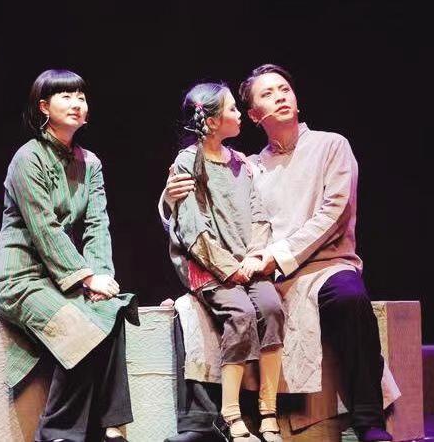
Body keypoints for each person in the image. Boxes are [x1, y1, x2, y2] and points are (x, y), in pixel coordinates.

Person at [162, 65, 393, 442]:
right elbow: (200, 205)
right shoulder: (249, 165)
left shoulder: (331, 145)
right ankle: (207, 423)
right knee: (198, 309)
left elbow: (333, 213)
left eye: (285, 89)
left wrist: (273, 256)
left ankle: (368, 419)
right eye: (267, 94)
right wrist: (170, 198)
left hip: (323, 266)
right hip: (262, 272)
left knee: (349, 297)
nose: (281, 97)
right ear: (254, 115)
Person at [0, 69, 138, 442]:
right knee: (80, 331)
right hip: (21, 278)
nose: (76, 104)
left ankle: (111, 428)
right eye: (66, 96)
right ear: (44, 107)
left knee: (112, 310)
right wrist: (86, 277)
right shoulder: (28, 158)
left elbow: (97, 225)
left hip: (62, 278)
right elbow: (45, 229)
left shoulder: (90, 163)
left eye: (81, 97)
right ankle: (58, 434)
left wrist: (101, 277)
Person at [168, 83, 285, 442]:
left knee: (271, 307)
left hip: (247, 263)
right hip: (210, 268)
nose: (239, 115)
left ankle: (268, 410)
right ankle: (230, 413)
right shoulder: (188, 162)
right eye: (232, 109)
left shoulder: (241, 163)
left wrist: (254, 257)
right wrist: (228, 268)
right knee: (241, 312)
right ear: (212, 121)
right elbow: (192, 227)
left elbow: (258, 214)